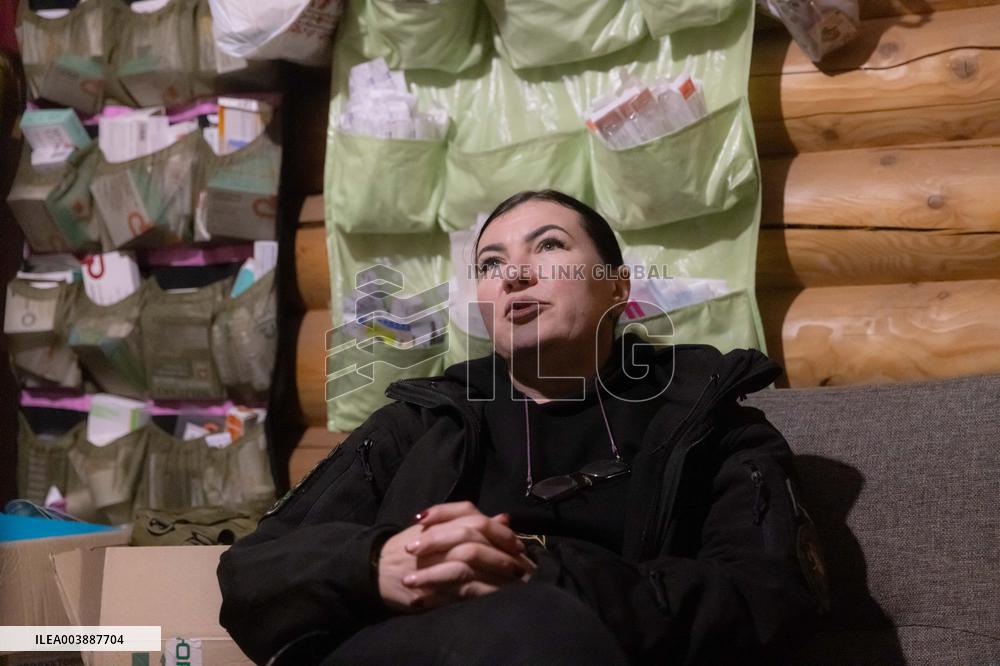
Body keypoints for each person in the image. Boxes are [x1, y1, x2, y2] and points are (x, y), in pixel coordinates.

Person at [217, 190, 828, 665]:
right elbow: (253, 571)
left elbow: (772, 601)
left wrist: (537, 573)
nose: (514, 275)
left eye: (550, 247)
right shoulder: (425, 419)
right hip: (407, 652)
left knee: (533, 627)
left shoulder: (711, 424)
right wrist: (373, 563)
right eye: (490, 263)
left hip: (601, 650)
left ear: (617, 288)